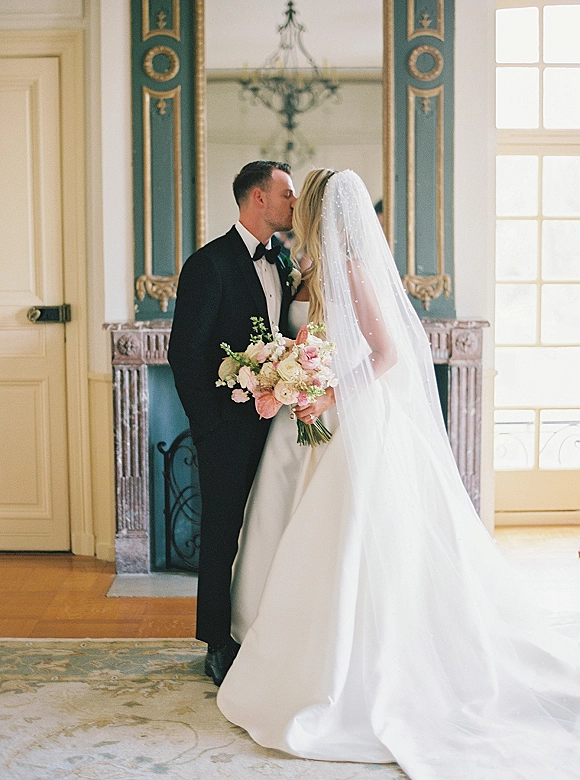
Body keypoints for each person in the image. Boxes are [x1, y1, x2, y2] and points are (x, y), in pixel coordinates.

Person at [216, 169, 580, 779]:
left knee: (355, 538)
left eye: (302, 204)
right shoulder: (312, 268)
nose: (297, 211)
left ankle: (366, 667)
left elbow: (385, 354)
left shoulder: (353, 268)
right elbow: (317, 336)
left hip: (360, 418)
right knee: (323, 539)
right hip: (327, 415)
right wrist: (289, 375)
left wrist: (328, 395)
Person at [167, 160, 297, 686]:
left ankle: (264, 629)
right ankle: (217, 641)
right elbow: (185, 353)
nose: (294, 202)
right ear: (257, 199)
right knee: (222, 530)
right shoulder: (208, 264)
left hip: (279, 424)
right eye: (287, 193)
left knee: (270, 526)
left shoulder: (284, 261)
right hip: (227, 426)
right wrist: (210, 424)